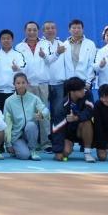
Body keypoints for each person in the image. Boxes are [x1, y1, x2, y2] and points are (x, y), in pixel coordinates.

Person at [4, 73, 48, 161]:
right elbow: (7, 124)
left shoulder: (34, 98)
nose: (21, 85)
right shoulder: (8, 101)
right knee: (24, 156)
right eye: (18, 83)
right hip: (16, 136)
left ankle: (32, 150)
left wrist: (42, 114)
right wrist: (8, 144)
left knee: (31, 125)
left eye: (23, 82)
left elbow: (45, 110)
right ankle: (20, 149)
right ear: (14, 85)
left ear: (27, 83)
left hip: (29, 133)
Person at [52, 76, 95, 163]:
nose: (83, 91)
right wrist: (58, 150)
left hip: (82, 129)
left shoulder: (87, 94)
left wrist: (77, 117)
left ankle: (87, 153)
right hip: (68, 133)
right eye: (80, 90)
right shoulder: (61, 105)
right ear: (72, 91)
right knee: (64, 153)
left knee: (87, 122)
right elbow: (57, 128)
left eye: (83, 88)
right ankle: (64, 149)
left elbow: (90, 111)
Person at [38, 21, 67, 150]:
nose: (50, 30)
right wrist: (56, 53)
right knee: (43, 112)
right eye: (47, 28)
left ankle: (57, 140)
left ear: (56, 30)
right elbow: (48, 61)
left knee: (58, 113)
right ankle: (44, 141)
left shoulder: (62, 44)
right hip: (44, 83)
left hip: (59, 84)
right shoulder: (39, 44)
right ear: (43, 31)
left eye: (53, 28)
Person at [0, 29, 26, 110]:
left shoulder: (18, 55)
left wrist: (17, 68)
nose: (6, 40)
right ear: (0, 40)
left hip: (14, 92)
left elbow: (24, 69)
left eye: (8, 38)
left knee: (14, 115)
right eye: (3, 38)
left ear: (12, 40)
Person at [60, 20, 97, 96]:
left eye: (79, 28)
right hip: (69, 82)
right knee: (68, 103)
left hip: (84, 81)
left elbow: (92, 64)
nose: (76, 30)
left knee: (85, 103)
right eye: (74, 28)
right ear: (69, 30)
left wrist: (88, 82)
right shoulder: (64, 44)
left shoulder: (90, 44)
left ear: (82, 29)